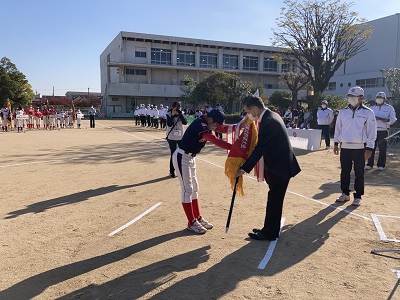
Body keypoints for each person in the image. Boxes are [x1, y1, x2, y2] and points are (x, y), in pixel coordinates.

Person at [235, 95, 301, 241]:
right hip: (280, 165)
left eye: (248, 111)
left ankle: (269, 232)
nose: (248, 115)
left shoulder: (269, 121)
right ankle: (269, 228)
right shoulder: (271, 115)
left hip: (280, 167)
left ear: (255, 109)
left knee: (274, 200)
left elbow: (260, 148)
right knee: (274, 199)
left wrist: (244, 168)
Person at [173, 109, 232, 234]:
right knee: (187, 189)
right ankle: (191, 222)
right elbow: (215, 140)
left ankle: (197, 217)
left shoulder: (207, 122)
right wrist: (234, 148)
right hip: (182, 156)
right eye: (216, 124)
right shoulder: (200, 124)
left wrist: (240, 126)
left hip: (190, 157)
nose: (217, 127)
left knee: (194, 188)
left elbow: (222, 129)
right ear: (210, 120)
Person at [333, 86, 377, 206]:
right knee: (345, 172)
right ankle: (345, 193)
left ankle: (358, 196)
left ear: (361, 98)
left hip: (360, 148)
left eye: (354, 97)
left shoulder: (368, 112)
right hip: (345, 147)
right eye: (350, 96)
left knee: (359, 173)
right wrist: (336, 143)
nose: (351, 99)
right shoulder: (342, 112)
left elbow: (372, 132)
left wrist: (369, 148)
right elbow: (338, 129)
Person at [366, 92, 397, 171]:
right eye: (377, 97)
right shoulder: (372, 108)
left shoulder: (389, 108)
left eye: (381, 97)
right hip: (373, 130)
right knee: (371, 147)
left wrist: (387, 120)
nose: (379, 99)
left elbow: (393, 119)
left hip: (383, 130)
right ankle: (369, 164)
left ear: (384, 99)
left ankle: (381, 164)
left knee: (382, 149)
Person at [166, 101, 187, 178]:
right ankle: (172, 172)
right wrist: (172, 115)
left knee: (181, 154)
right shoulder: (168, 114)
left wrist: (180, 114)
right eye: (176, 107)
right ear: (172, 107)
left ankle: (180, 170)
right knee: (173, 154)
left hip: (180, 137)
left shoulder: (182, 113)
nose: (177, 109)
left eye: (179, 107)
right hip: (171, 137)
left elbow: (185, 122)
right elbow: (169, 124)